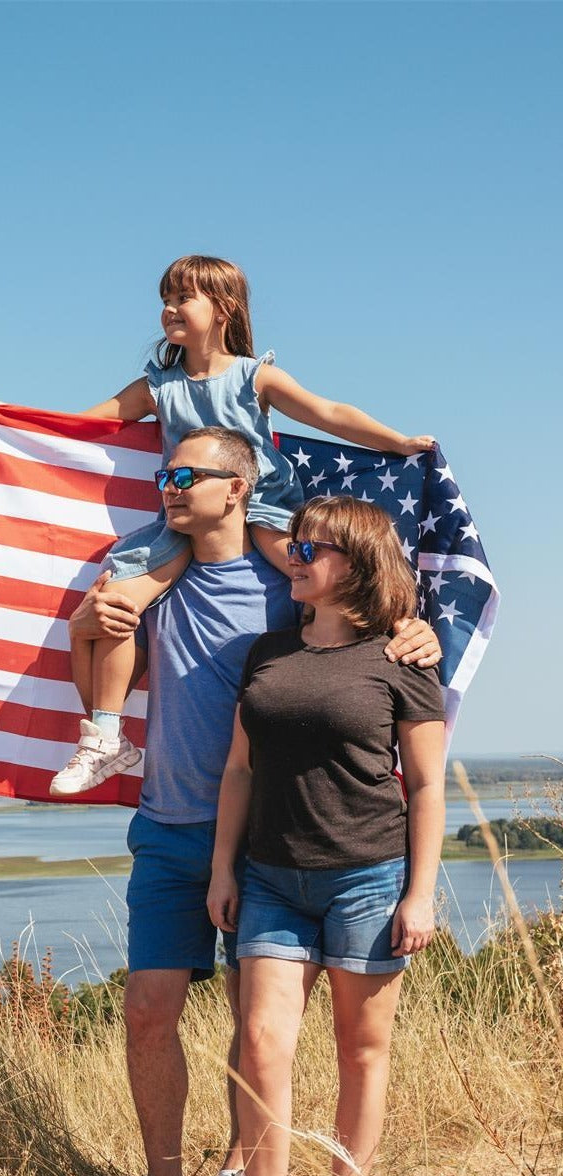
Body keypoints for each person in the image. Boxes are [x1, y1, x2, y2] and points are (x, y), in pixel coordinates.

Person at [76, 429, 440, 1176]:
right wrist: (84, 622)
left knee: (262, 1028)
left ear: (238, 489)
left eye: (185, 474)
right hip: (170, 827)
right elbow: (98, 661)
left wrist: (421, 631)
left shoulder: (287, 585)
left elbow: (363, 624)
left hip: (269, 837)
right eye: (163, 474)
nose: (168, 487)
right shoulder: (147, 580)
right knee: (148, 1009)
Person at [44, 253, 435, 800]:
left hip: (265, 508)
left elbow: (329, 413)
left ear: (223, 309)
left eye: (183, 298)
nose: (169, 308)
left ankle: (399, 624)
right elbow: (89, 421)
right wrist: (3, 415)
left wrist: (395, 441)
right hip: (186, 517)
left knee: (314, 569)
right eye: (166, 298)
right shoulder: (159, 385)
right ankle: (107, 736)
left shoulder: (255, 377)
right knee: (120, 602)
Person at [202, 496, 445, 1176]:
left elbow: (428, 788)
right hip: (270, 879)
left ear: (360, 565)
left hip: (368, 881)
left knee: (361, 1051)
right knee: (264, 1045)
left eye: (315, 549)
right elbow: (238, 770)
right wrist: (221, 870)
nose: (297, 557)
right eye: (296, 545)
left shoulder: (402, 661)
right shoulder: (266, 654)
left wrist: (420, 893)